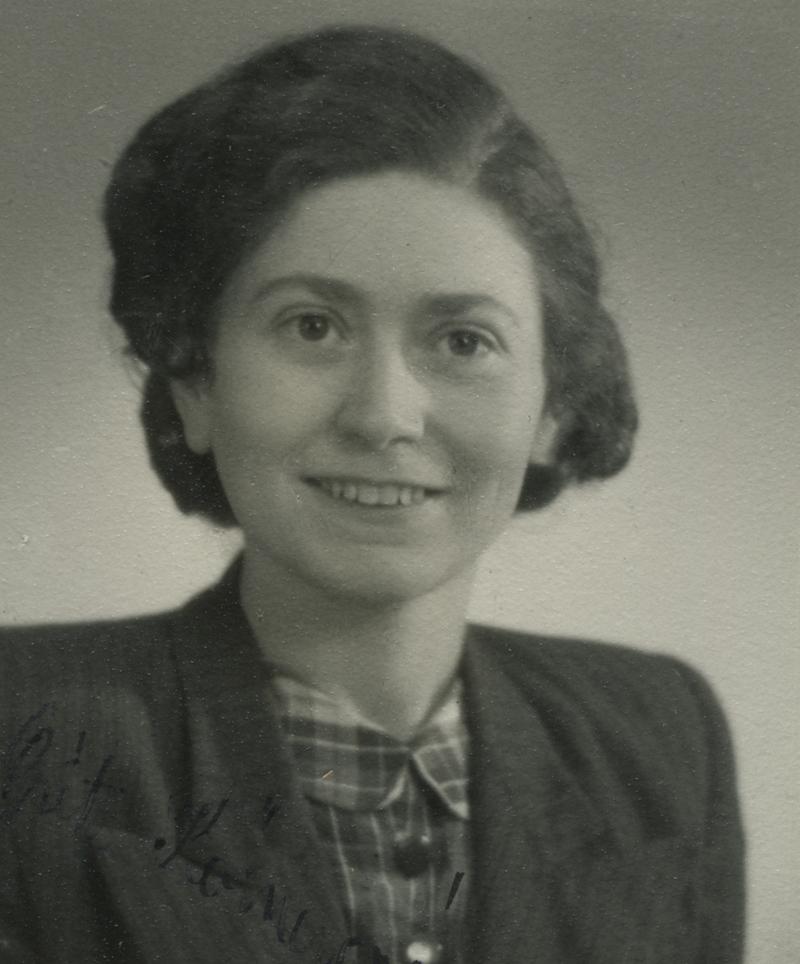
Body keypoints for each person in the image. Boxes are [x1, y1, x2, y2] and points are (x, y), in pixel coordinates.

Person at [0, 24, 744, 964]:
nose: (384, 415)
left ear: (554, 407)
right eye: (312, 326)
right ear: (194, 381)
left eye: (464, 341)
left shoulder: (661, 736)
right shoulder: (23, 729)